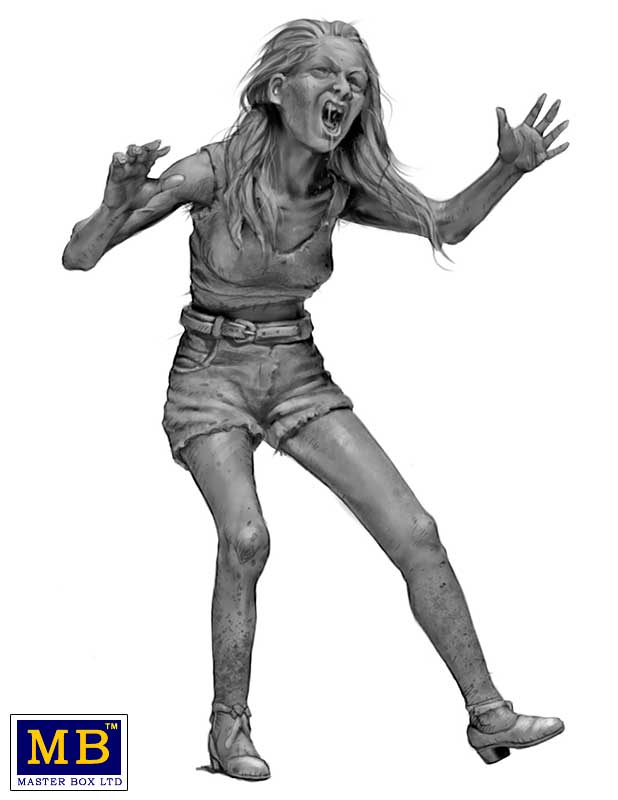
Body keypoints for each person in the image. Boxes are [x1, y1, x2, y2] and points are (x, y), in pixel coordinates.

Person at [62, 18, 569, 781]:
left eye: (356, 82)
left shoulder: (340, 185)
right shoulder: (215, 170)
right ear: (277, 88)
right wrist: (113, 205)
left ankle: (487, 712)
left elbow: (447, 222)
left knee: (416, 531)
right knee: (247, 538)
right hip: (210, 375)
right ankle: (228, 729)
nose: (344, 91)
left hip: (295, 370)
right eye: (326, 74)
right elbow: (79, 255)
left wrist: (509, 169)